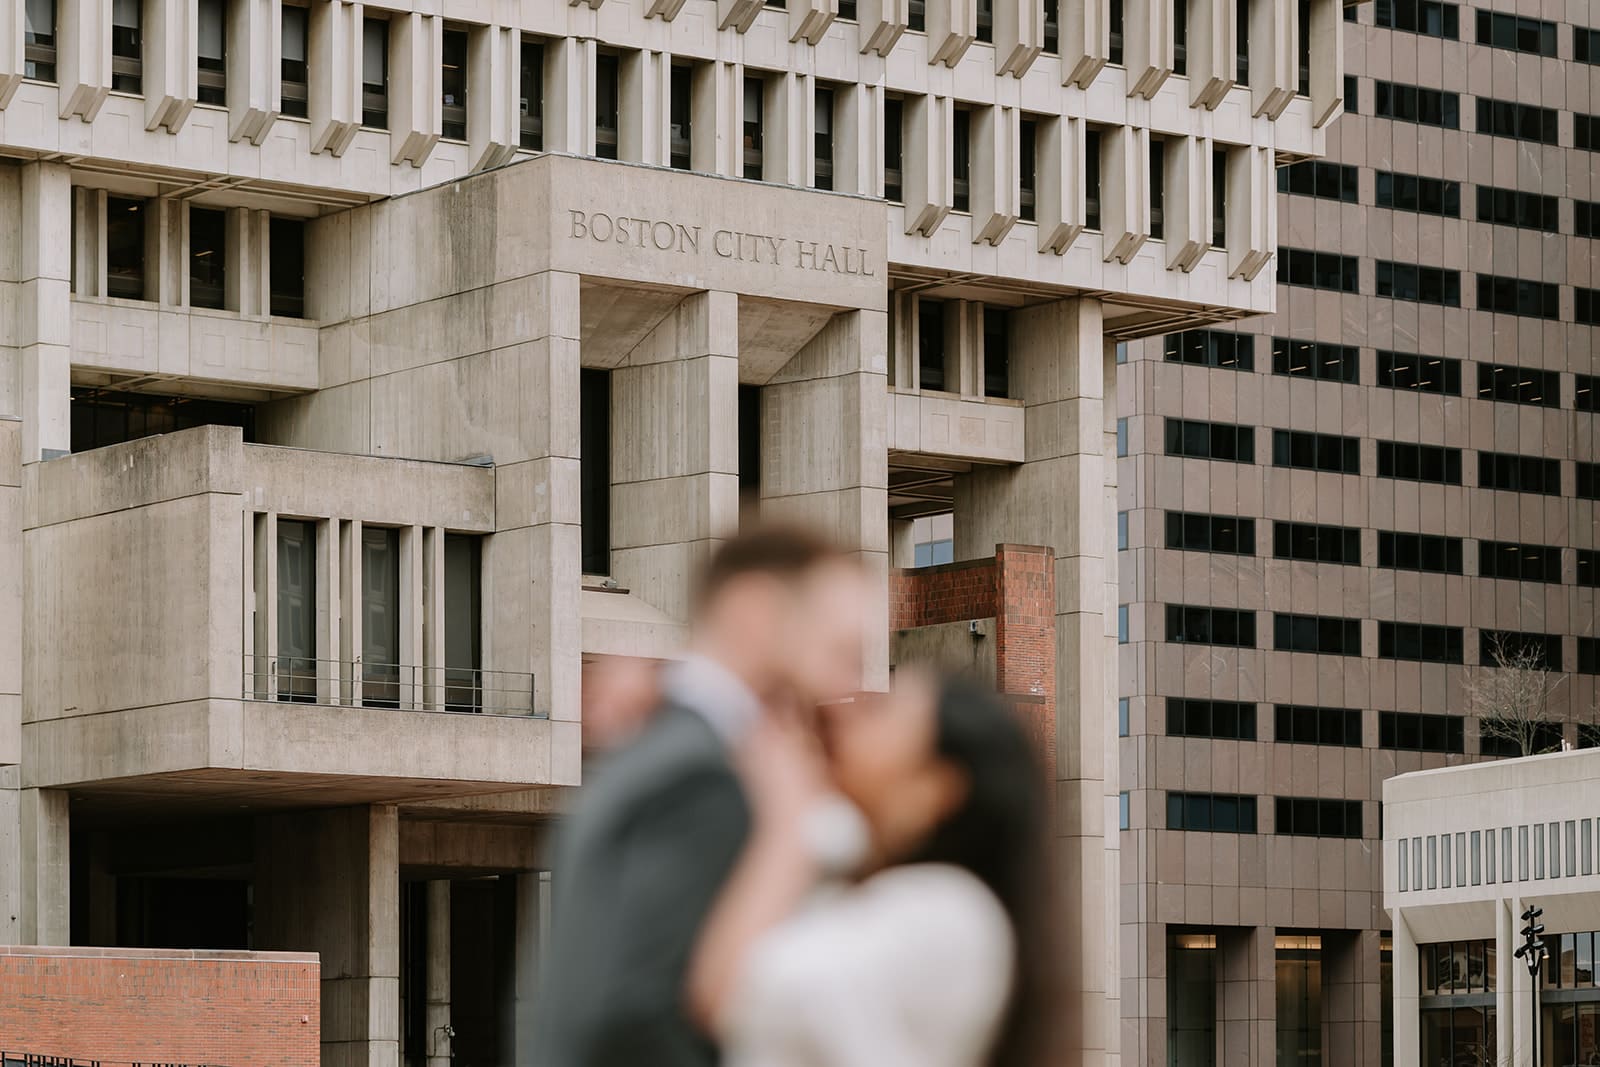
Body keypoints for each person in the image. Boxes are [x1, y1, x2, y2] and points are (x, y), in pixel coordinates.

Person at [532, 524, 873, 1067]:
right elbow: (635, 1009)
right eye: (838, 643)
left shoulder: (667, 745)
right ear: (754, 609)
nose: (849, 672)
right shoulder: (703, 773)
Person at [688, 670, 1059, 1067]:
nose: (847, 718)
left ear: (932, 790)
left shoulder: (953, 912)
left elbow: (743, 992)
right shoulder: (859, 879)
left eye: (881, 712)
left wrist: (786, 812)